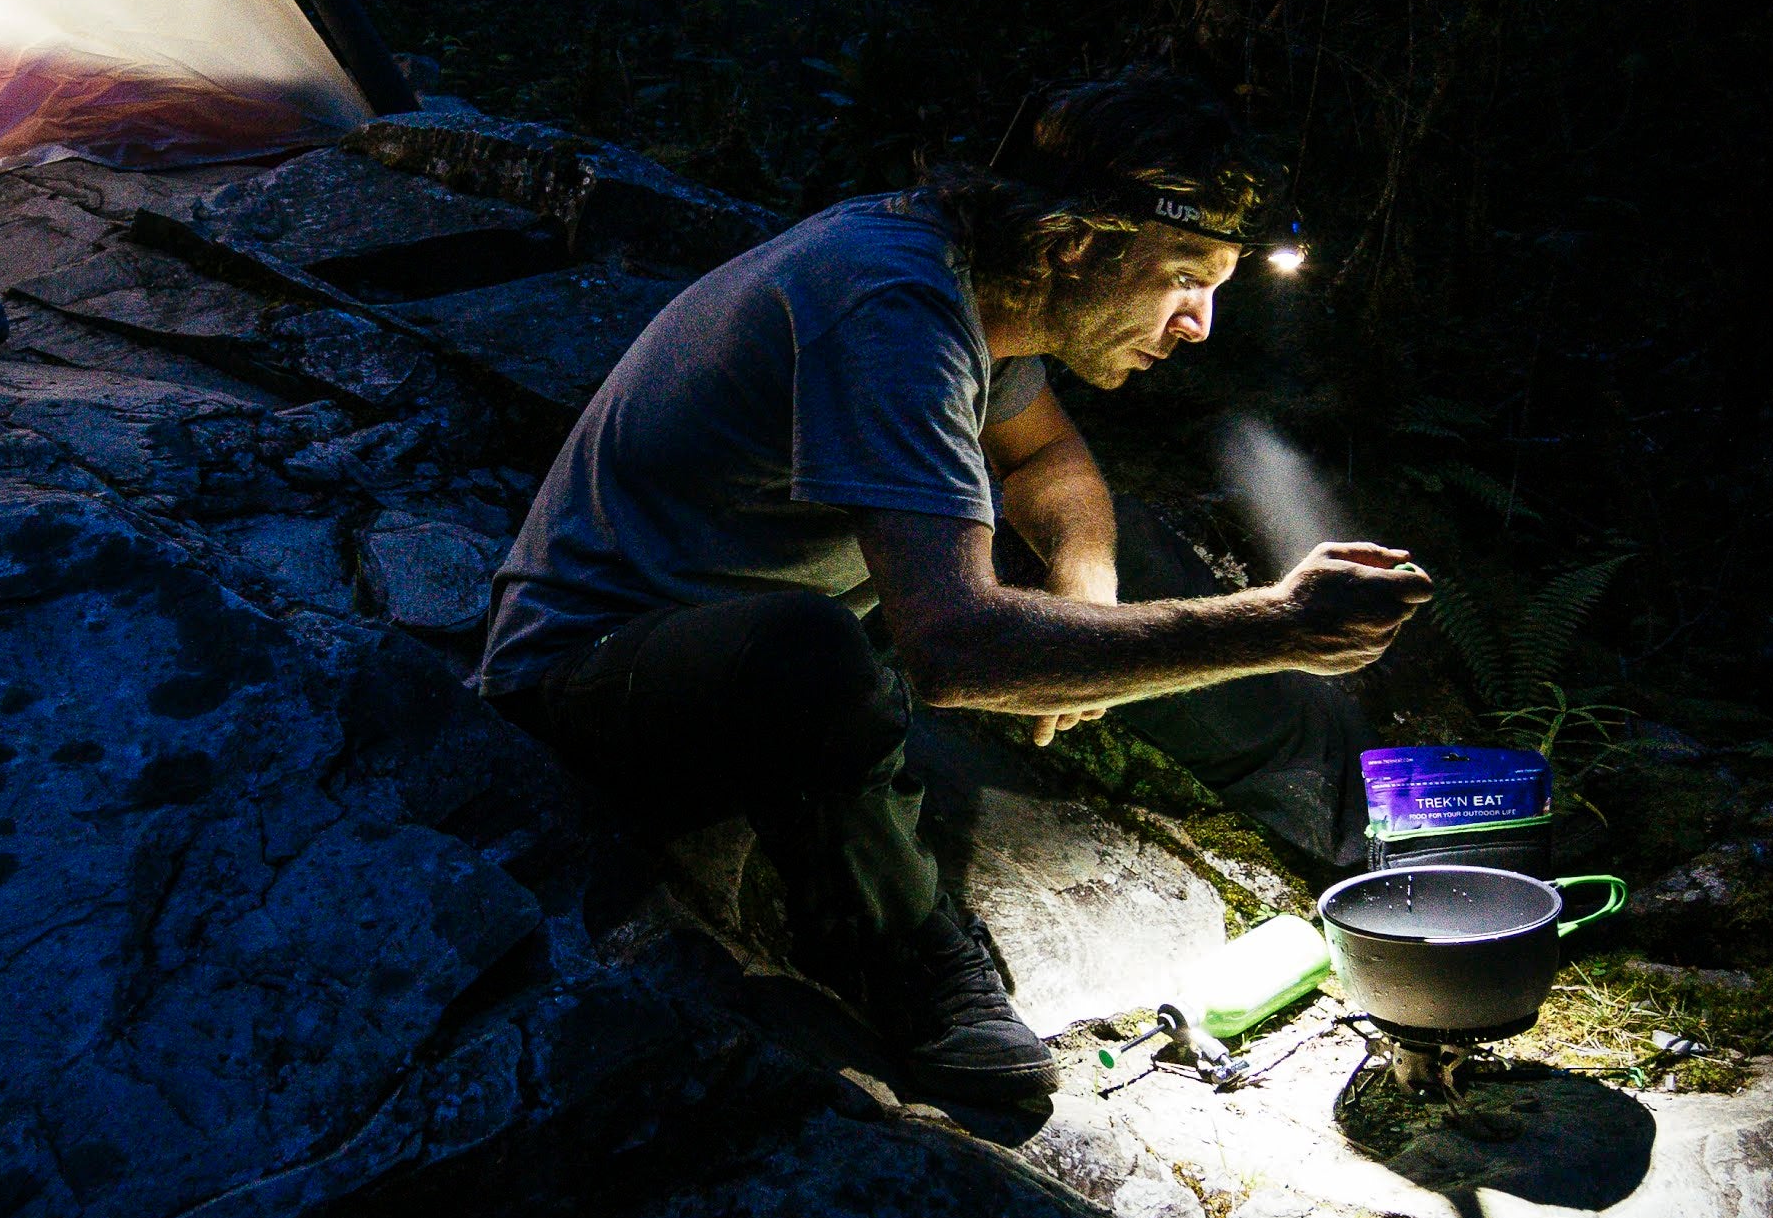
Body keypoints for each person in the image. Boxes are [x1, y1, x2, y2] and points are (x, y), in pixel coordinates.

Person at [472, 67, 1424, 1118]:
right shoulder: (894, 309)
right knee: (804, 653)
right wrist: (1275, 624)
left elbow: (1044, 458)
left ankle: (1375, 826)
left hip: (783, 610)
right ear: (1076, 246)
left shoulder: (983, 275)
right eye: (1183, 277)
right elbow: (952, 651)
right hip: (595, 676)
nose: (1197, 322)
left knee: (1107, 537)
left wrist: (1085, 587)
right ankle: (901, 956)